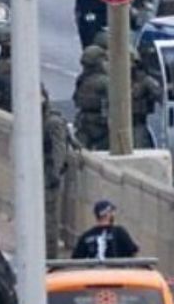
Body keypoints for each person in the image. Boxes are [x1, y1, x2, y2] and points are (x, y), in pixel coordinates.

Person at [43, 90, 73, 256]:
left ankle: (50, 255)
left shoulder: (52, 122)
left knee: (49, 218)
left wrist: (54, 173)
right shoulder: (35, 119)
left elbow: (59, 149)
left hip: (48, 175)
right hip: (36, 173)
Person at [70, 200, 141, 260]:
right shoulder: (119, 232)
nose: (113, 214)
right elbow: (132, 251)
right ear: (107, 214)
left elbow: (75, 259)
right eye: (111, 212)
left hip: (93, 275)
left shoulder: (86, 236)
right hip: (115, 274)